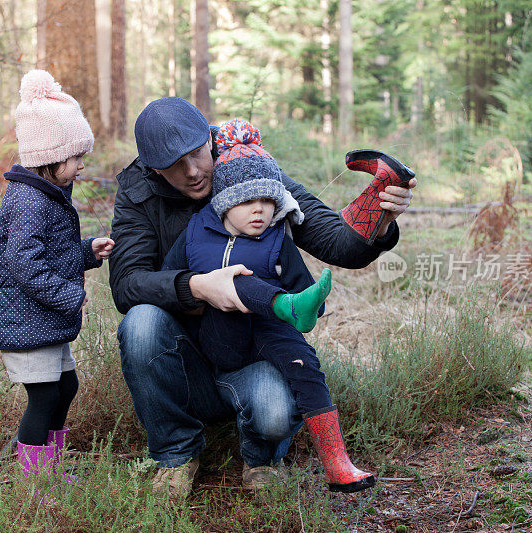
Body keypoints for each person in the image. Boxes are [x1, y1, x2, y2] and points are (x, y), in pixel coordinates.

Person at [109, 97, 415, 497]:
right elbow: (127, 283)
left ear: (210, 138)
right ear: (152, 168)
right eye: (174, 166)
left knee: (273, 414)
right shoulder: (138, 192)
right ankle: (176, 454)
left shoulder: (246, 163)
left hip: (255, 352)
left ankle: (264, 458)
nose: (194, 172)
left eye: (198, 154)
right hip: (187, 359)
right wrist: (197, 287)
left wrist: (381, 217)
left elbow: (340, 244)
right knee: (141, 322)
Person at [161, 118, 374, 493]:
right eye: (247, 201)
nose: (259, 210)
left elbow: (310, 302)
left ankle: (338, 463)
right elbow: (168, 279)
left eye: (267, 200)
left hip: (270, 336)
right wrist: (200, 292)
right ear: (225, 202)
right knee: (233, 277)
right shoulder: (196, 231)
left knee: (306, 366)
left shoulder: (278, 240)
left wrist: (308, 308)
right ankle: (279, 306)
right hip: (220, 335)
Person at [0, 70, 114, 479]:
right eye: (76, 157)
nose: (81, 165)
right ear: (51, 157)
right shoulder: (28, 200)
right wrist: (68, 295)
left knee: (66, 387)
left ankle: (50, 469)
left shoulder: (47, 195)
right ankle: (37, 482)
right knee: (44, 398)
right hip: (26, 321)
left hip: (43, 320)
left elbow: (50, 254)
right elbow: (24, 263)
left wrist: (85, 252)